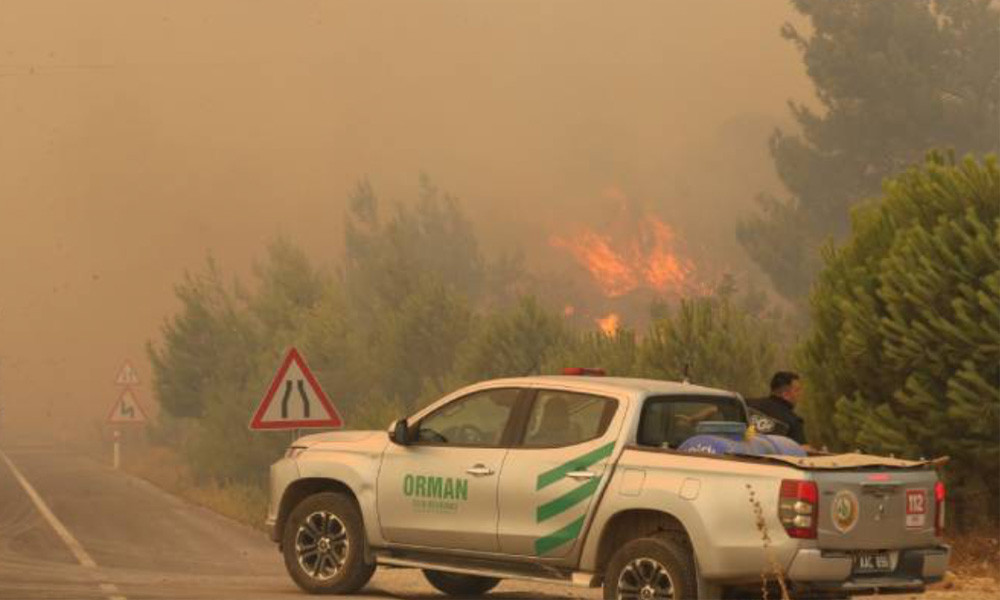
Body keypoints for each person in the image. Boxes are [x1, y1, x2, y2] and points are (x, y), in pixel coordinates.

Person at [749, 371, 808, 446]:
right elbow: (803, 450)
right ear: (785, 394)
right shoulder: (793, 421)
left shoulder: (746, 405)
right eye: (797, 390)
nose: (800, 394)